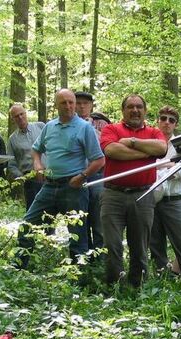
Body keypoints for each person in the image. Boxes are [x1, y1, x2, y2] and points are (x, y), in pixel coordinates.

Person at [16, 89, 104, 268]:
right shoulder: (50, 126)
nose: (69, 106)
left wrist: (82, 176)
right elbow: (36, 149)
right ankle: (19, 266)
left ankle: (79, 275)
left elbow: (99, 160)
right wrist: (38, 164)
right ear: (56, 105)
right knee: (27, 224)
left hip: (74, 188)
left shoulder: (84, 128)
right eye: (64, 102)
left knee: (77, 234)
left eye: (71, 102)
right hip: (49, 186)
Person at [100, 94, 167, 287]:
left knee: (140, 246)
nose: (135, 110)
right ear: (123, 111)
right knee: (112, 244)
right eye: (130, 107)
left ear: (145, 111)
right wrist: (147, 153)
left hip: (143, 195)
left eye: (139, 107)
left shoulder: (155, 132)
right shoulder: (111, 129)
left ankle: (138, 287)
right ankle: (115, 286)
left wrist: (131, 142)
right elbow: (112, 151)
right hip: (113, 195)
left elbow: (162, 148)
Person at [148, 106, 181, 289]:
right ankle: (161, 284)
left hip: (173, 200)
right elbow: (145, 168)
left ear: (176, 124)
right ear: (157, 121)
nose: (167, 122)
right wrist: (166, 165)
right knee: (155, 244)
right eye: (163, 118)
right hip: (152, 200)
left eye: (171, 120)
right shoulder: (150, 142)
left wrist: (158, 165)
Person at [75, 91, 109, 252]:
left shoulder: (101, 123)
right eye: (78, 103)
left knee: (98, 218)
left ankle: (100, 255)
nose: (82, 106)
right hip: (76, 176)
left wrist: (89, 128)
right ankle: (83, 255)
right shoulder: (68, 123)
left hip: (98, 174)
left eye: (85, 103)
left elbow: (107, 144)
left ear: (91, 106)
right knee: (79, 219)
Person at [6, 104, 46, 210]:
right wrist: (23, 177)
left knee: (50, 210)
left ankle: (50, 228)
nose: (20, 117)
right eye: (16, 116)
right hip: (30, 180)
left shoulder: (41, 126)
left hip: (49, 175)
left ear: (25, 113)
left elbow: (53, 145)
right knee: (33, 210)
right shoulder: (12, 139)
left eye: (21, 114)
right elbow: (11, 163)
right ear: (12, 119)